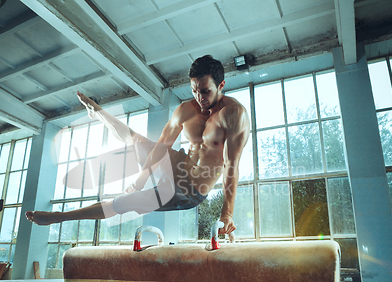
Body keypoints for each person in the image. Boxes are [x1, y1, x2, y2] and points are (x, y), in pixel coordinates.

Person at [26, 55, 250, 235]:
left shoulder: (233, 114)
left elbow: (232, 165)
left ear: (221, 85)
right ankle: (98, 113)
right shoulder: (185, 110)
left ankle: (58, 217)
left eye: (205, 91)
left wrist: (227, 213)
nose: (199, 97)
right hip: (179, 164)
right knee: (137, 140)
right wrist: (139, 180)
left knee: (124, 202)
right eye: (194, 90)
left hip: (190, 191)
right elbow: (161, 147)